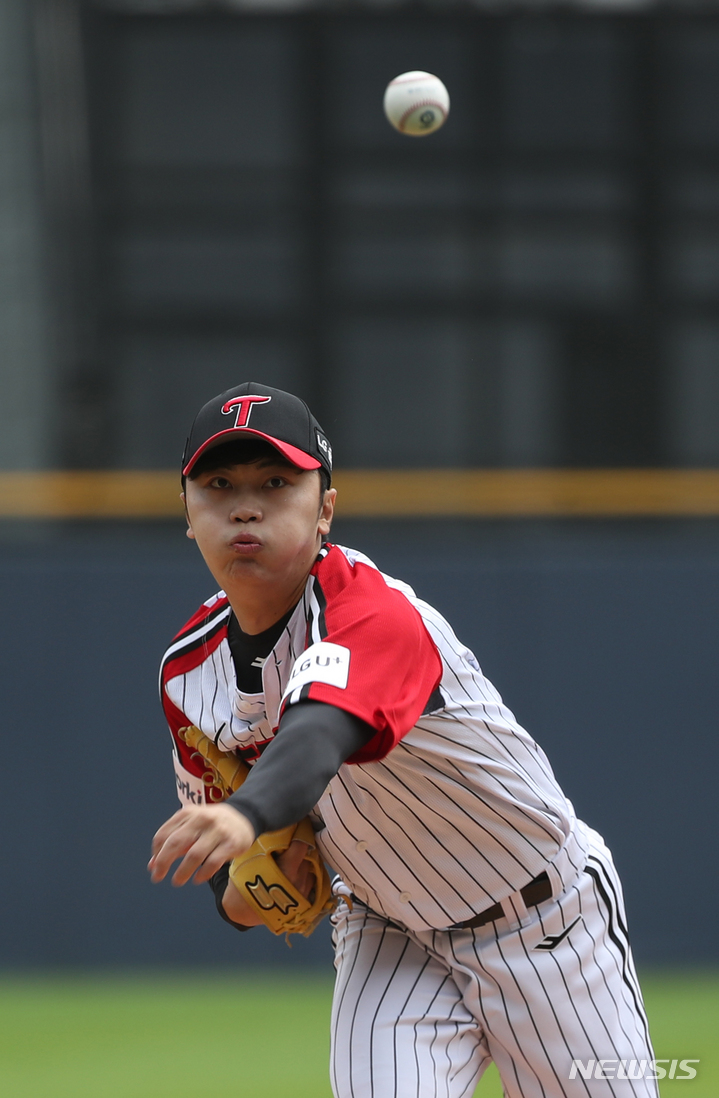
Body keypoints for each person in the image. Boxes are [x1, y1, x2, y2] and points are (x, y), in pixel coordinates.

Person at [149, 381, 658, 1098]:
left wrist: (244, 815)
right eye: (217, 484)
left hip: (545, 918)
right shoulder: (188, 672)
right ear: (188, 512)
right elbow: (231, 877)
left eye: (276, 483)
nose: (244, 505)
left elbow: (319, 731)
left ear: (324, 508)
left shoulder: (372, 612)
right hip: (388, 929)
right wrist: (245, 888)